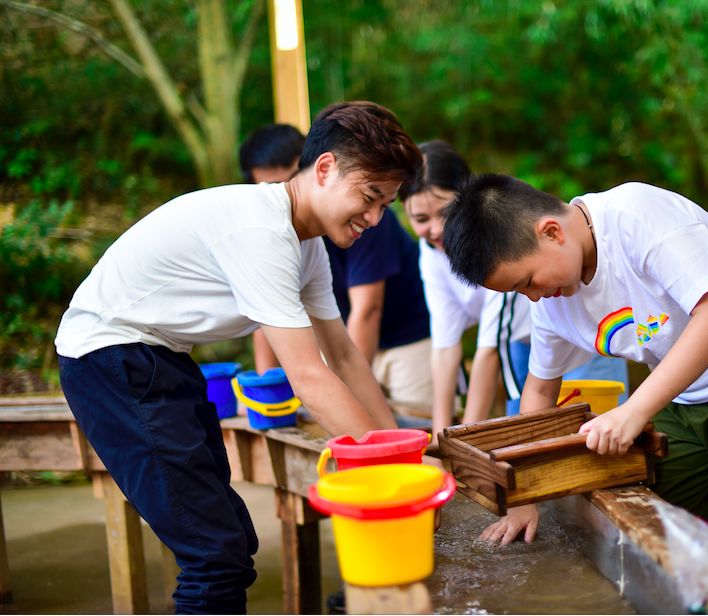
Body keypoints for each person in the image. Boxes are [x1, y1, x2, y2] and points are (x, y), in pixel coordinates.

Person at [55, 101, 422, 613]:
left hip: (160, 359)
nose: (376, 218)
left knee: (230, 543)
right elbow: (310, 378)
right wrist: (389, 476)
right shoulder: (261, 232)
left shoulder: (306, 245)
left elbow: (341, 355)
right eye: (369, 197)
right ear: (324, 169)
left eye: (386, 204)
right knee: (214, 554)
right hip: (111, 361)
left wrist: (403, 458)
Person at [442, 175, 708, 593]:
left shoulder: (637, 216)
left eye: (526, 282)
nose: (531, 297)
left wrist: (634, 412)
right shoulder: (552, 304)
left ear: (551, 232)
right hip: (684, 391)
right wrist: (525, 497)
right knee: (650, 530)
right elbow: (539, 391)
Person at [240, 124, 435, 415]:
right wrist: (270, 392)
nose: (283, 193)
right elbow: (265, 312)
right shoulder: (270, 228)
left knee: (415, 419)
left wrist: (349, 394)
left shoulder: (364, 213)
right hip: (342, 331)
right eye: (270, 187)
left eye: (289, 180)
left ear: (317, 168)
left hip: (405, 338)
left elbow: (367, 310)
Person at [400, 141, 532, 436]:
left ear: (469, 195)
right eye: (420, 219)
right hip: (518, 343)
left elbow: (489, 350)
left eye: (445, 214)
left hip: (576, 342)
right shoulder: (431, 251)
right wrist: (440, 437)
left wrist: (463, 442)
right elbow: (445, 347)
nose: (435, 229)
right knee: (526, 433)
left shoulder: (496, 237)